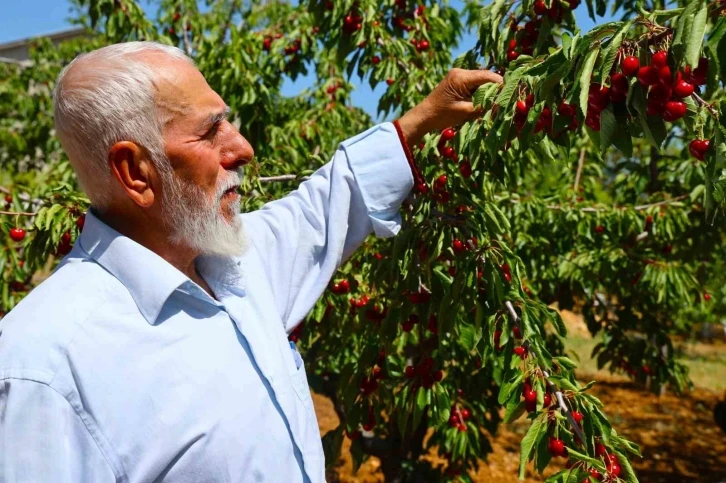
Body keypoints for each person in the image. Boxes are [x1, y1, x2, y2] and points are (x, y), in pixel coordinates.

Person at [0, 41, 501, 482]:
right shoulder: (44, 371)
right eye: (210, 131)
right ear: (136, 171)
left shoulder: (234, 264)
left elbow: (323, 205)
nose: (243, 147)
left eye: (229, 120)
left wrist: (424, 118)